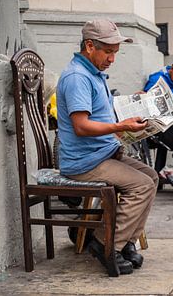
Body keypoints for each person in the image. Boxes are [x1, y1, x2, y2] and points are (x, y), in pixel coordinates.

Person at [56, 18, 158, 275]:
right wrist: (120, 127)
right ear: (90, 46)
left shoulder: (93, 72)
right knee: (141, 185)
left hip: (102, 153)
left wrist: (136, 102)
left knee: (152, 177)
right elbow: (82, 126)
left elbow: (103, 110)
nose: (112, 59)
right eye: (109, 52)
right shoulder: (78, 77)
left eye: (115, 53)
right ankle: (104, 243)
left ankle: (124, 244)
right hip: (84, 161)